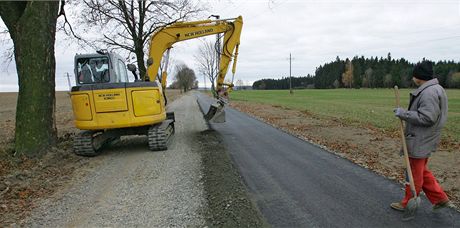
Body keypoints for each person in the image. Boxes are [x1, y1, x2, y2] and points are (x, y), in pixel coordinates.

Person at [391, 61, 450, 212]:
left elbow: (427, 118)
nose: (413, 78)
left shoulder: (429, 92)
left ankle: (408, 202)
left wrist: (403, 113)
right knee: (421, 170)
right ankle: (440, 198)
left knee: (414, 172)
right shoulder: (435, 89)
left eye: (414, 75)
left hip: (421, 139)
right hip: (425, 138)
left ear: (419, 76)